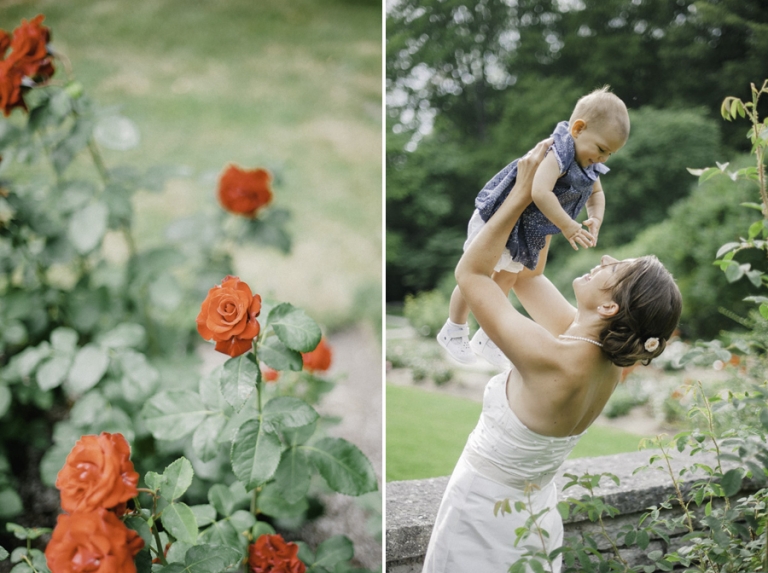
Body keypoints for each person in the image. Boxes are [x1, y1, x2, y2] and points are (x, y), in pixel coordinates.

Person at [421, 138, 682, 573]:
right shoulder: (604, 359)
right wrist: (557, 197)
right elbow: (526, 276)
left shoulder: (557, 358)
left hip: (483, 517)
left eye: (614, 268)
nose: (605, 258)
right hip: (536, 518)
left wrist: (522, 193)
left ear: (609, 308)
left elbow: (470, 273)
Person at [437, 86, 630, 367]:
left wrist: (596, 217)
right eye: (601, 149)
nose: (602, 159)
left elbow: (596, 194)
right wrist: (567, 225)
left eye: (609, 155)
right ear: (578, 128)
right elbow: (539, 191)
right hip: (499, 218)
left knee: (506, 277)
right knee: (480, 273)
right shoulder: (558, 151)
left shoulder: (590, 164)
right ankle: (453, 328)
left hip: (524, 231)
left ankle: (488, 336)